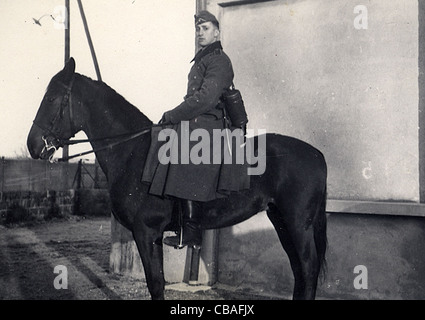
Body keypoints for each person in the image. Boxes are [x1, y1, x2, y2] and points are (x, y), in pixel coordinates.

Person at [142, 11, 248, 248]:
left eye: (206, 28)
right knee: (164, 136)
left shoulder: (219, 60)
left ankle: (191, 231)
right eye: (198, 29)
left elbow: (205, 99)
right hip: (200, 120)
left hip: (210, 123)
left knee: (185, 148)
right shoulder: (203, 59)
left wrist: (172, 114)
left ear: (217, 32)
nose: (201, 33)